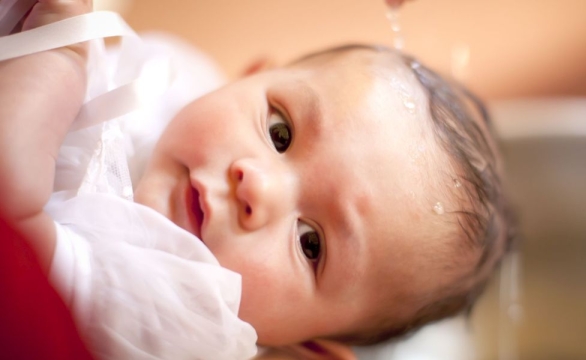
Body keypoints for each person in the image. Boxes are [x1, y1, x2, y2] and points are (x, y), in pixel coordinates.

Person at [0, 0, 514, 359]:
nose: (256, 186)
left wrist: (58, 53)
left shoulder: (183, 320)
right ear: (248, 75)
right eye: (280, 131)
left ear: (301, 352)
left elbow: (14, 230)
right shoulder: (186, 79)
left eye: (311, 244)